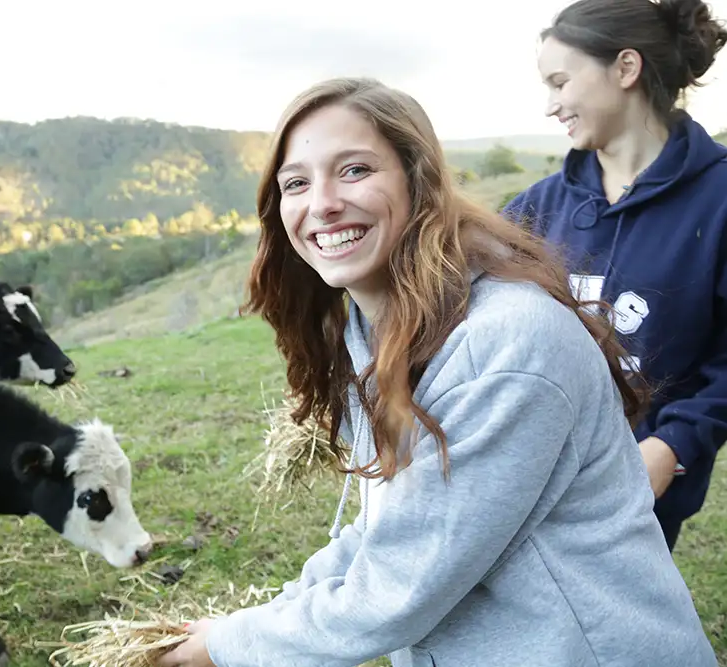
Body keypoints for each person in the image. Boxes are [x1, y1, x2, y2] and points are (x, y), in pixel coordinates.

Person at [155, 76, 717, 667]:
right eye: (296, 183)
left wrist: (225, 649)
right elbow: (391, 528)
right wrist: (253, 622)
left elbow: (401, 588)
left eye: (354, 170)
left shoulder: (508, 345)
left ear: (417, 178)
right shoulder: (382, 333)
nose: (321, 203)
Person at [502, 0, 727, 553]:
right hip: (523, 478)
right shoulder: (533, 211)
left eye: (560, 81)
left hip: (639, 495)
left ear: (626, 69)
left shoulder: (720, 201)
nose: (551, 106)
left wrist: (671, 447)